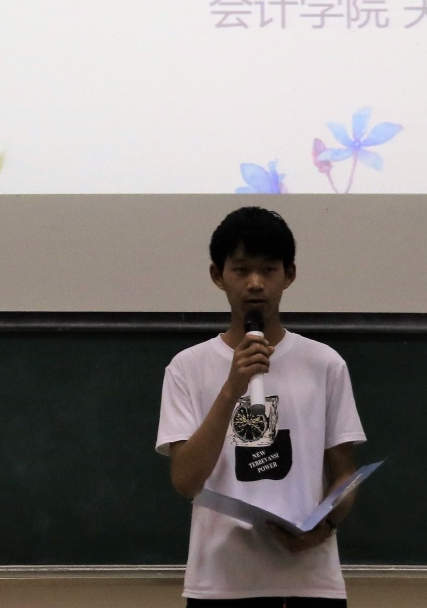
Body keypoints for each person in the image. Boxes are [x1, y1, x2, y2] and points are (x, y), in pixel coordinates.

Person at [156, 206, 367, 606]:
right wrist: (231, 388)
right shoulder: (187, 367)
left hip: (309, 581)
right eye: (241, 270)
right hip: (220, 582)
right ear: (218, 275)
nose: (255, 283)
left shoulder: (325, 363)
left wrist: (327, 523)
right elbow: (185, 480)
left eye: (268, 270)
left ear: (289, 274)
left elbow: (344, 474)